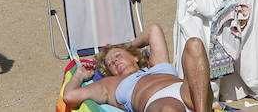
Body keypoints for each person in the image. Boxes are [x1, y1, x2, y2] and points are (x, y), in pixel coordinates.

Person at [62, 23, 213, 112]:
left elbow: (153, 29)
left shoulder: (157, 65)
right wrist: (79, 75)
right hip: (158, 102)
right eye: (110, 63)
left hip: (190, 93)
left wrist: (127, 47)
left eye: (118, 55)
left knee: (194, 44)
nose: (114, 61)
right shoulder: (110, 84)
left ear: (134, 56)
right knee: (168, 109)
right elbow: (69, 97)